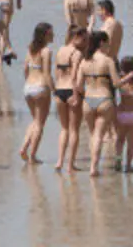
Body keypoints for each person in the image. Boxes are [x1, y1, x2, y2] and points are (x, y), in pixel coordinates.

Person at [75, 31, 120, 177]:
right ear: (101, 42)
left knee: (93, 134)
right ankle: (94, 167)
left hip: (88, 100)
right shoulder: (108, 60)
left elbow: (78, 86)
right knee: (99, 135)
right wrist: (130, 78)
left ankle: (93, 166)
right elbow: (116, 83)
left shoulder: (84, 61)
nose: (108, 45)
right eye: (107, 42)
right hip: (104, 98)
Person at [19, 23, 54, 164]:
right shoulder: (46, 51)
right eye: (51, 33)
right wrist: (54, 90)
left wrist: (28, 82)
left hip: (28, 87)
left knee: (34, 121)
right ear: (45, 35)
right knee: (40, 124)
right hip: (40, 87)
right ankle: (32, 155)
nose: (53, 36)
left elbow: (25, 69)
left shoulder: (30, 49)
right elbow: (46, 73)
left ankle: (24, 147)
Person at [53, 26, 86, 172]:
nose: (85, 42)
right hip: (71, 90)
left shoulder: (60, 50)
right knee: (74, 130)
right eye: (84, 39)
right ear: (76, 37)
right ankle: (70, 164)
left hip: (59, 90)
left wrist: (55, 91)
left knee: (64, 128)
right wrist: (76, 94)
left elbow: (56, 72)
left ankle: (59, 161)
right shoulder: (77, 53)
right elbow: (74, 76)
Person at [114, 56, 133, 172]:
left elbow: (115, 85)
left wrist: (125, 77)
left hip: (122, 113)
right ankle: (129, 165)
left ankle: (118, 159)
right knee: (131, 141)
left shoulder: (122, 83)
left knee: (120, 139)